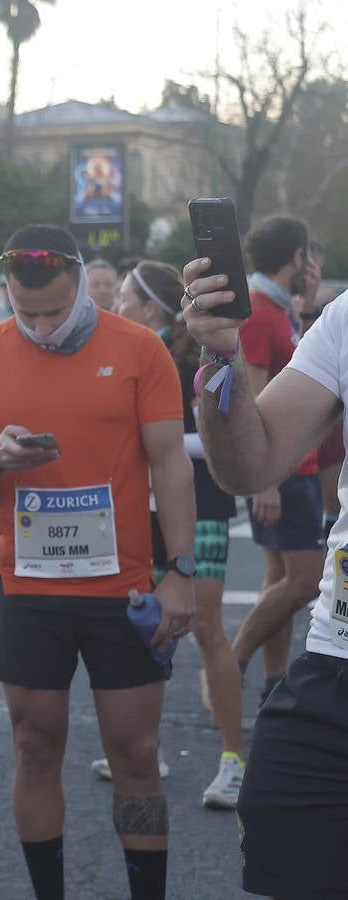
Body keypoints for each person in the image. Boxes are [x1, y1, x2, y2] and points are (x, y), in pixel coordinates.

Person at [0, 225, 195, 900]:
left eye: (56, 312)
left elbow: (171, 463)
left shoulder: (139, 348)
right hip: (29, 588)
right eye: (26, 313)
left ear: (83, 283)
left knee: (136, 753)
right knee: (33, 748)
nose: (41, 328)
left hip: (122, 590)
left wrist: (182, 572)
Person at [182, 251, 348, 899]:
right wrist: (222, 358)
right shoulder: (345, 320)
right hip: (335, 665)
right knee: (281, 829)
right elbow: (248, 465)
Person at [110, 260, 244, 810]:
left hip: (203, 505)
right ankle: (148, 750)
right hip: (142, 510)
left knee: (207, 626)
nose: (116, 306)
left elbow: (226, 431)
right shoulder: (128, 356)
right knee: (149, 628)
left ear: (149, 307)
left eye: (124, 297)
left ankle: (234, 760)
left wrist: (163, 443)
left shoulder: (200, 355)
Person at [223, 217, 323, 704]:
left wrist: (306, 311)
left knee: (276, 582)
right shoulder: (261, 313)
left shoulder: (277, 308)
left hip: (291, 467)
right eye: (309, 256)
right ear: (297, 257)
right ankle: (231, 663)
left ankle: (272, 686)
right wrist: (264, 482)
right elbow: (255, 402)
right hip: (285, 472)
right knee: (304, 581)